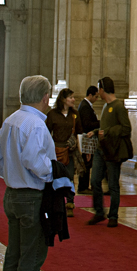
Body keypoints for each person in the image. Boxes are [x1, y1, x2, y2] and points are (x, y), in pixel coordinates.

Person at [0, 75, 62, 271]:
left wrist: (8, 171)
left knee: (14, 255)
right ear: (45, 98)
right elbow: (34, 160)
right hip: (31, 197)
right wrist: (53, 174)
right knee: (31, 256)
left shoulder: (12, 120)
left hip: (11, 193)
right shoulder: (36, 124)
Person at [87, 77, 132, 228]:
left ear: (102, 89)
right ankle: (99, 212)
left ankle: (113, 215)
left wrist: (107, 132)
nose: (98, 92)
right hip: (101, 149)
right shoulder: (106, 106)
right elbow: (104, 126)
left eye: (99, 89)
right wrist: (95, 132)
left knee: (113, 184)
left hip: (113, 151)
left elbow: (126, 129)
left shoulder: (118, 106)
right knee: (94, 181)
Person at [46, 88, 81, 217]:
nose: (73, 99)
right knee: (56, 177)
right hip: (55, 151)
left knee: (70, 177)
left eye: (73, 97)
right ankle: (57, 203)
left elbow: (79, 132)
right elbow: (47, 133)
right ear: (63, 99)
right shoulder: (52, 114)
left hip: (69, 151)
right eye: (70, 97)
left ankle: (70, 203)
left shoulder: (75, 115)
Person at [77, 86, 101, 194]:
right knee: (86, 163)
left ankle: (84, 186)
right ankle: (83, 186)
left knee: (87, 162)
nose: (97, 99)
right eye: (96, 96)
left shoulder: (86, 105)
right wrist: (100, 123)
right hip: (87, 138)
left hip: (88, 139)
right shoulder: (85, 106)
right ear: (90, 95)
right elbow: (87, 124)